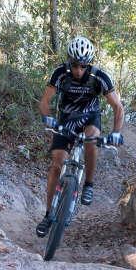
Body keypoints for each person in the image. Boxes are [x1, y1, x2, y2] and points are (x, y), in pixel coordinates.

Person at [36, 36, 124, 237]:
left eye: (83, 66)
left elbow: (118, 106)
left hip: (89, 118)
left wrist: (116, 132)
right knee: (56, 165)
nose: (78, 71)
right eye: (75, 65)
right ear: (69, 61)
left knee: (91, 139)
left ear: (89, 63)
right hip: (66, 118)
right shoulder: (60, 73)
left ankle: (89, 185)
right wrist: (47, 118)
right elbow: (45, 101)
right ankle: (48, 215)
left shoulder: (99, 77)